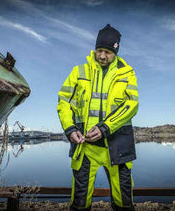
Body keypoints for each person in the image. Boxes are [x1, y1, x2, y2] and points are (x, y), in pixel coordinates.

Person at [57, 24, 139, 211]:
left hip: (117, 147)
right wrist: (70, 129)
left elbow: (132, 105)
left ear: (116, 51)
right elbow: (64, 102)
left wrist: (104, 128)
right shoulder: (78, 72)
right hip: (85, 148)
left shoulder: (127, 73)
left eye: (108, 52)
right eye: (99, 50)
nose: (102, 56)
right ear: (95, 49)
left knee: (124, 203)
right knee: (79, 203)